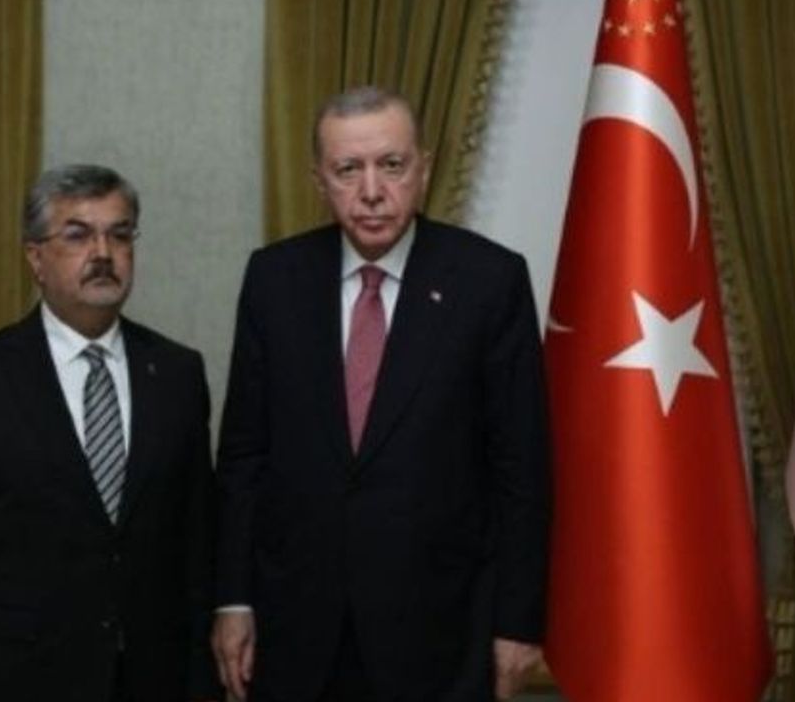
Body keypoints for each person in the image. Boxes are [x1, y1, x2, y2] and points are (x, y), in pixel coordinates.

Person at [212, 87, 551, 702]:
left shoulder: (489, 281)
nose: (372, 191)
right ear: (320, 181)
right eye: (348, 170)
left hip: (441, 627)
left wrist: (518, 621)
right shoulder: (274, 278)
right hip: (297, 625)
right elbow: (243, 455)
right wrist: (233, 599)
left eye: (391, 165)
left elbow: (521, 466)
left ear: (424, 168)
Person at [0, 164, 220, 701]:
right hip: (19, 679)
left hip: (153, 678)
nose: (103, 253)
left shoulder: (176, 373)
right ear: (35, 258)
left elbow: (197, 547)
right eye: (78, 235)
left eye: (119, 235)